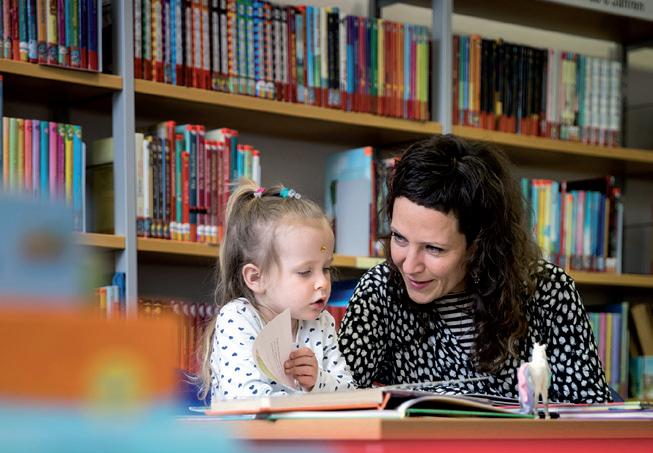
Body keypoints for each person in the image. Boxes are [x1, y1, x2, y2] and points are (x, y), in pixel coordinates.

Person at [338, 134, 612, 403]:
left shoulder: (549, 292)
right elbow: (336, 398)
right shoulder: (380, 291)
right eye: (399, 238)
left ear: (478, 246)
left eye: (433, 248)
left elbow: (593, 412)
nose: (409, 265)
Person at [196, 180, 356, 401]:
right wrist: (304, 402)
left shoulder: (322, 322)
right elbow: (246, 399)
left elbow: (351, 394)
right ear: (256, 278)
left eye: (326, 268)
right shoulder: (238, 318)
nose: (322, 282)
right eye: (305, 272)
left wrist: (318, 381)